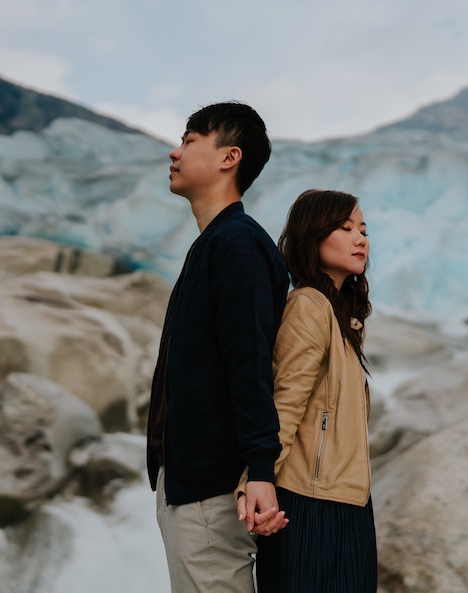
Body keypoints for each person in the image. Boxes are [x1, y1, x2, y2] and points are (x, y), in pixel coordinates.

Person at [146, 101, 290, 593]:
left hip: (209, 487)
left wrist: (261, 471)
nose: (175, 151)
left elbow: (248, 363)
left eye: (188, 141)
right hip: (194, 480)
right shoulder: (217, 243)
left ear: (229, 157)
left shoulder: (237, 245)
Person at [241, 189, 377, 592]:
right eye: (345, 227)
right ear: (312, 236)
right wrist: (256, 481)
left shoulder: (341, 314)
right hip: (310, 504)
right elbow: (285, 402)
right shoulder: (309, 306)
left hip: (345, 500)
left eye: (364, 230)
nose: (360, 239)